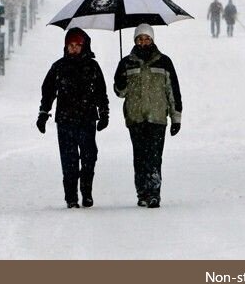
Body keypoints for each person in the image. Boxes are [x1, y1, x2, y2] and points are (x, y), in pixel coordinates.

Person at [36, 28, 109, 208]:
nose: (74, 48)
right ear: (66, 47)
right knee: (69, 161)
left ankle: (86, 191)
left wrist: (104, 114)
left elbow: (101, 92)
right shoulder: (59, 67)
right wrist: (43, 114)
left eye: (78, 45)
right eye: (71, 45)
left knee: (89, 158)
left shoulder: (92, 67)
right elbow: (48, 92)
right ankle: (71, 197)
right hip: (66, 121)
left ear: (84, 46)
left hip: (87, 120)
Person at [113, 24, 182, 209]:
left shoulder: (164, 62)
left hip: (158, 117)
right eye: (140, 39)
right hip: (135, 117)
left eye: (147, 38)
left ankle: (154, 193)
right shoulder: (127, 63)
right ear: (135, 40)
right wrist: (119, 79)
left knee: (154, 157)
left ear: (152, 40)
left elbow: (173, 90)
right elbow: (120, 92)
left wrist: (176, 118)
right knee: (140, 157)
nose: (143, 42)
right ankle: (142, 192)